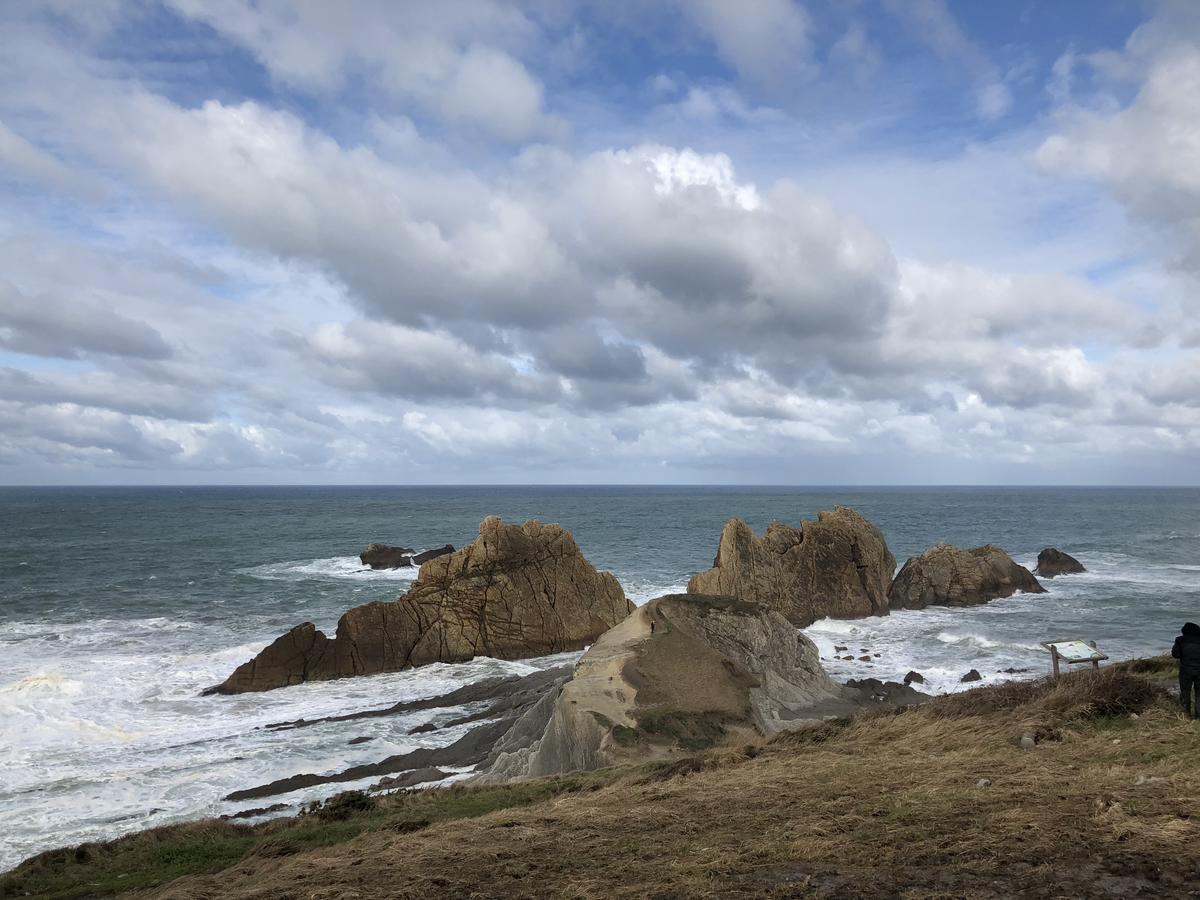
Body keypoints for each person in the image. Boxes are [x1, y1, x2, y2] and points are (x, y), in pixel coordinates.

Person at [1171, 622, 1200, 718]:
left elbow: (1175, 654)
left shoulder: (1180, 640)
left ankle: (1186, 715)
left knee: (1185, 692)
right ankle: (1198, 716)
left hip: (1185, 670)